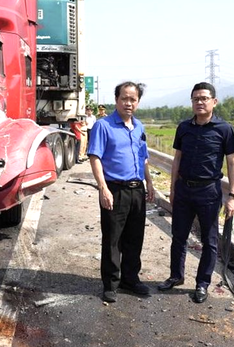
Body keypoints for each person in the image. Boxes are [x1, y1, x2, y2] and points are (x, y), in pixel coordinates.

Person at [158, 82, 234, 304]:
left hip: (209, 192)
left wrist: (232, 197)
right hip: (184, 189)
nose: (200, 102)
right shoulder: (184, 127)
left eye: (204, 98)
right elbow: (177, 160)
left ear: (214, 101)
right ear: (192, 102)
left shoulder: (224, 129)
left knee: (210, 241)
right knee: (178, 237)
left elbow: (232, 164)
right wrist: (173, 189)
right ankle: (176, 276)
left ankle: (202, 284)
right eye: (196, 99)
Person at [87, 82, 155, 303]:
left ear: (138, 102)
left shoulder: (139, 127)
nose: (128, 103)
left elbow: (143, 158)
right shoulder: (103, 126)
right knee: (113, 239)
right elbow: (95, 157)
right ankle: (111, 283)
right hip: (114, 189)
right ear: (116, 100)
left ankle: (130, 278)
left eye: (133, 99)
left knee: (135, 237)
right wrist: (103, 188)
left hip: (137, 189)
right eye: (124, 98)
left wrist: (150, 184)